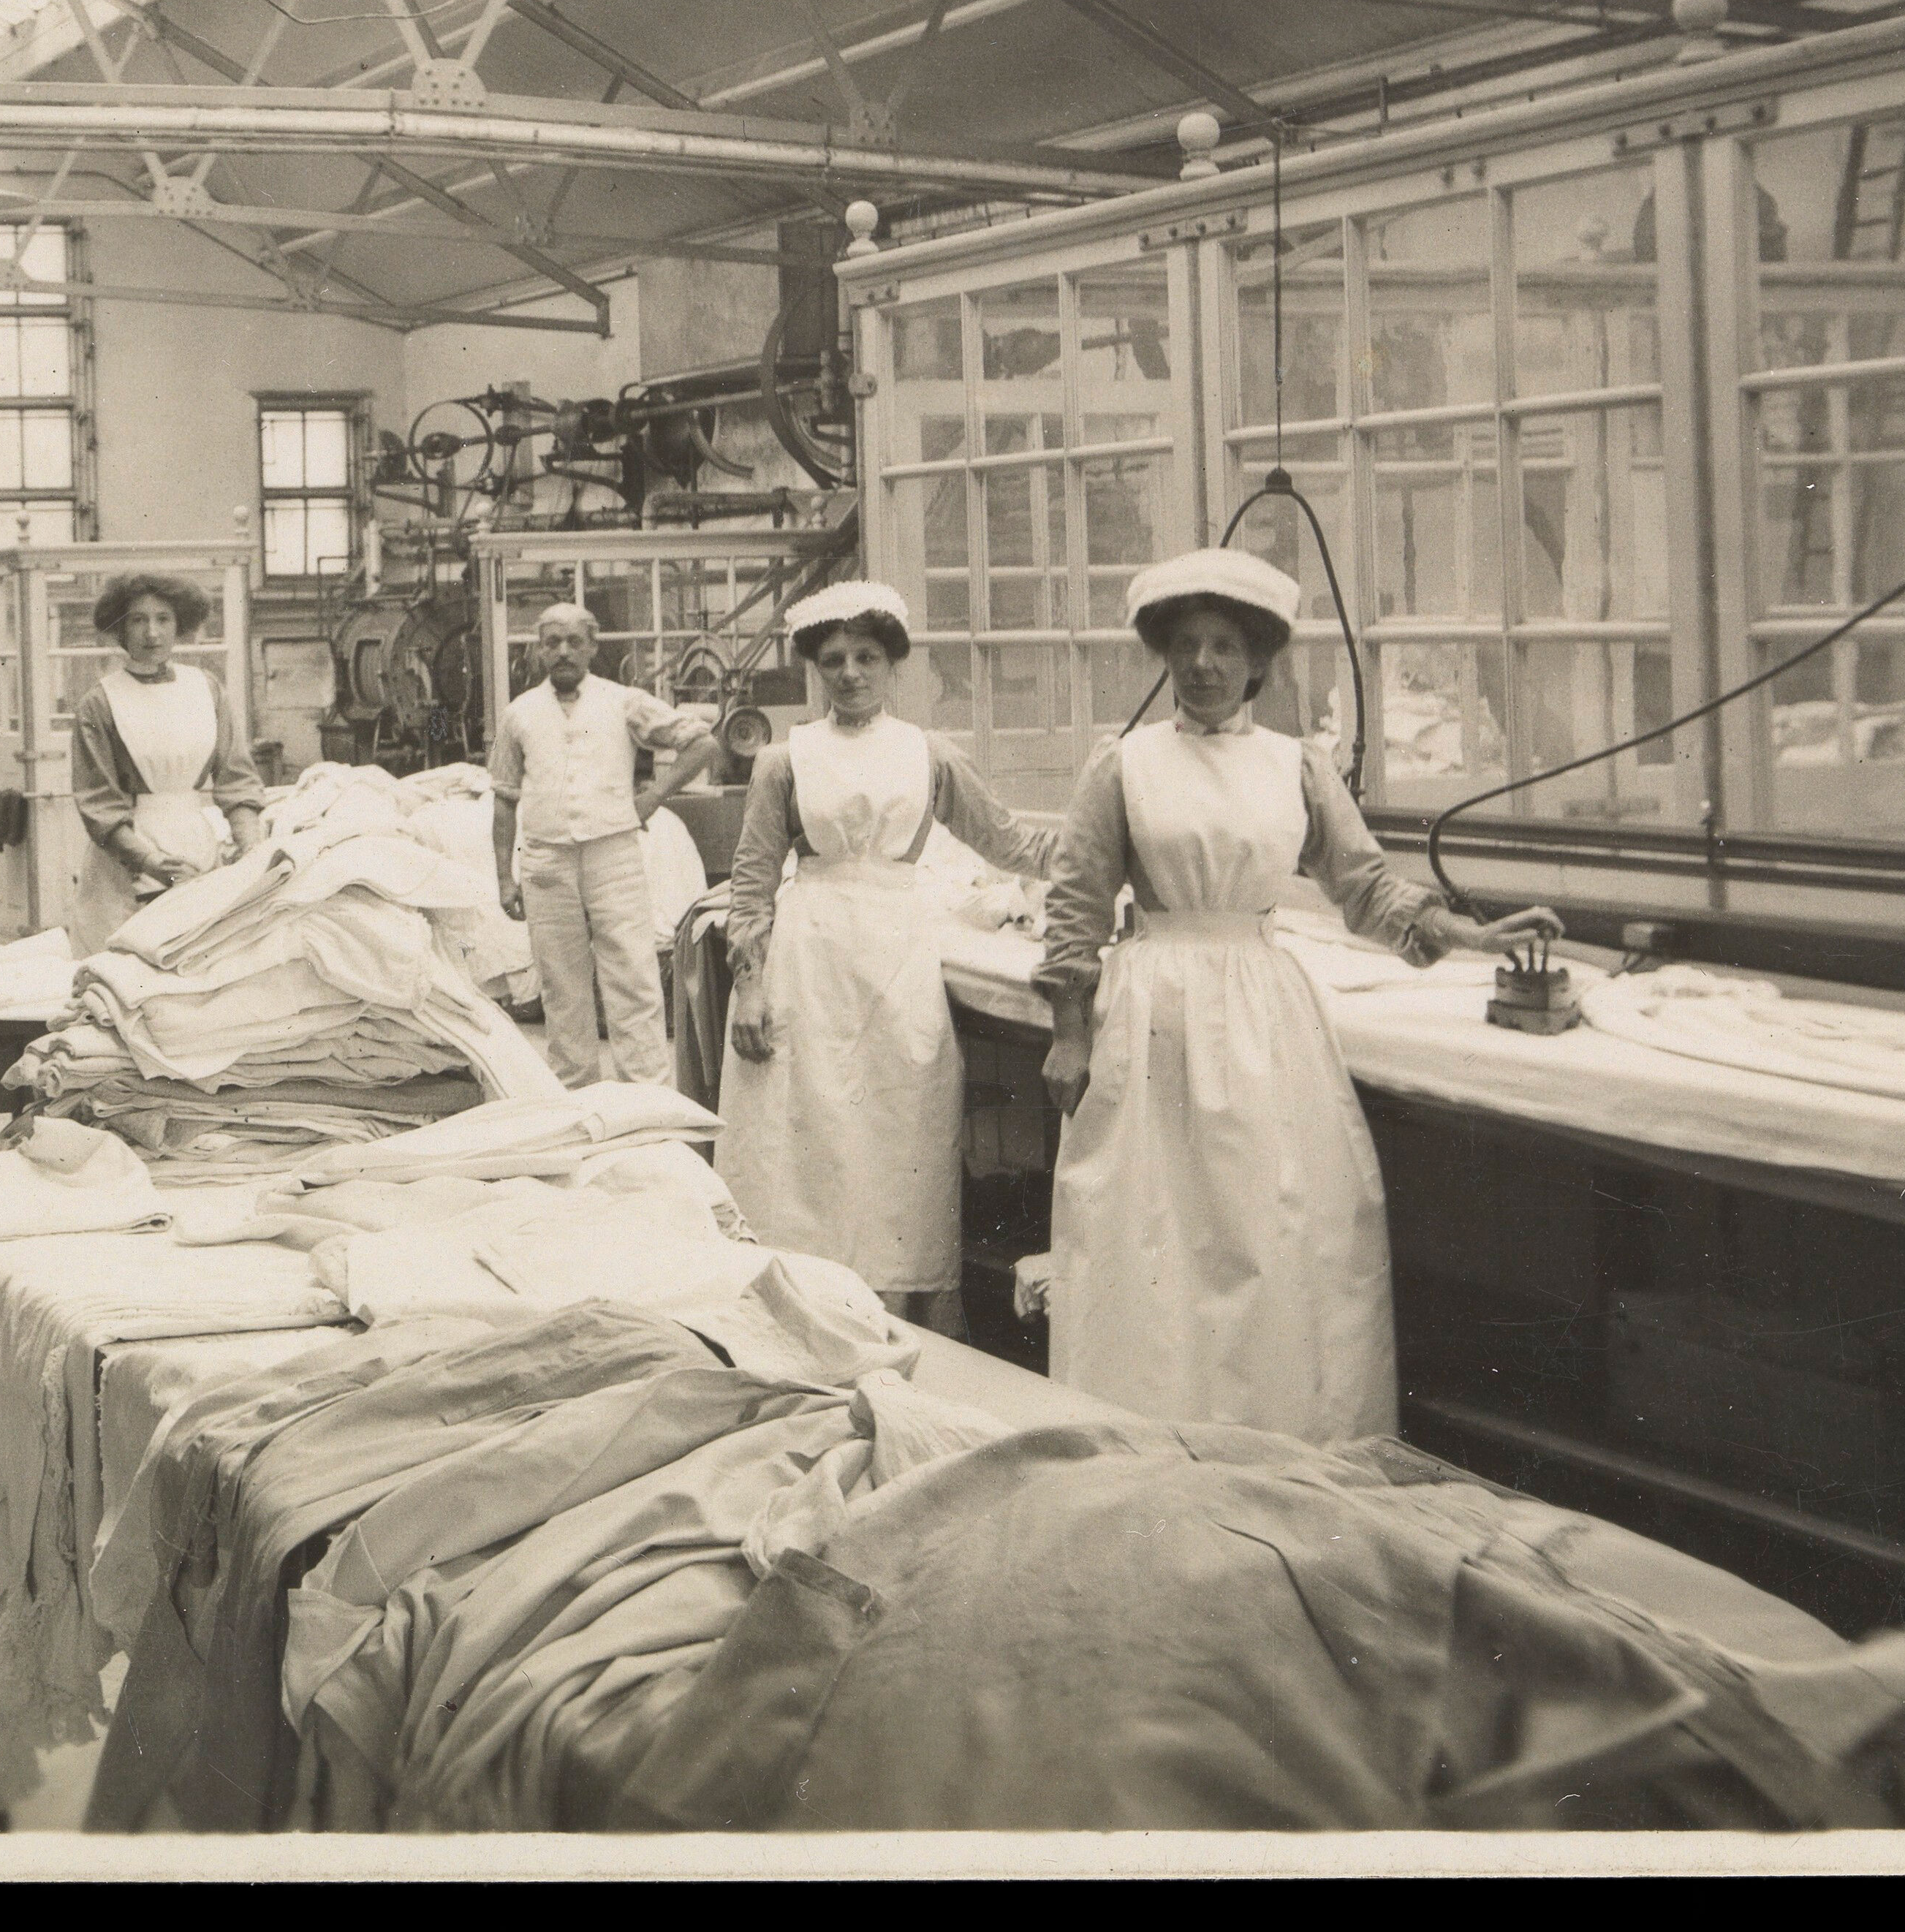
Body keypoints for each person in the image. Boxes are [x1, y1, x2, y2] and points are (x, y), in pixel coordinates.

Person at [1034, 547, 1561, 1442]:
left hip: (1263, 1014)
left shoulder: (1298, 766)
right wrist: (1069, 1032)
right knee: (1154, 1230)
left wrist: (1465, 933)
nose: (1204, 664)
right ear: (1165, 655)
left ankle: (1277, 1434)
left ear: (1258, 663)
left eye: (1225, 647)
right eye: (1188, 644)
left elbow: (1367, 888)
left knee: (1270, 1227)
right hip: (1154, 1009)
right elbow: (1075, 910)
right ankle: (1149, 1437)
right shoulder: (1122, 767)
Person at [717, 584, 1044, 1322]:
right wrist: (750, 986)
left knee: (899, 1146)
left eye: (867, 656)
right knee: (808, 1147)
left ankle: (898, 1315)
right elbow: (752, 883)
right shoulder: (783, 760)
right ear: (813, 668)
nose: (850, 672)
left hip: (900, 960)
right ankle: (809, 1318)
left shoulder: (930, 754)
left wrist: (1109, 846)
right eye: (832, 659)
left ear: (894, 664)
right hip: (810, 958)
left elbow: (1009, 842)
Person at [492, 602, 721, 1088]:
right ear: (538, 651)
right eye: (552, 642)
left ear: (593, 647)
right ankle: (577, 1098)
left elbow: (703, 743)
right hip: (546, 862)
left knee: (633, 980)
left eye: (575, 641)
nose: (563, 652)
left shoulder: (624, 702)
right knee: (561, 985)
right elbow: (505, 800)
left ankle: (649, 1104)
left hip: (613, 857)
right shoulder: (519, 715)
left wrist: (655, 795)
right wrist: (501, 878)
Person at [72, 572, 266, 918]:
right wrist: (152, 863)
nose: (152, 633)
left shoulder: (207, 689)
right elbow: (99, 803)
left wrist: (251, 843)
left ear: (179, 625)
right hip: (128, 862)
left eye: (163, 619)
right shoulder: (99, 703)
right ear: (120, 628)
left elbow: (236, 779)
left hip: (198, 852)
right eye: (138, 620)